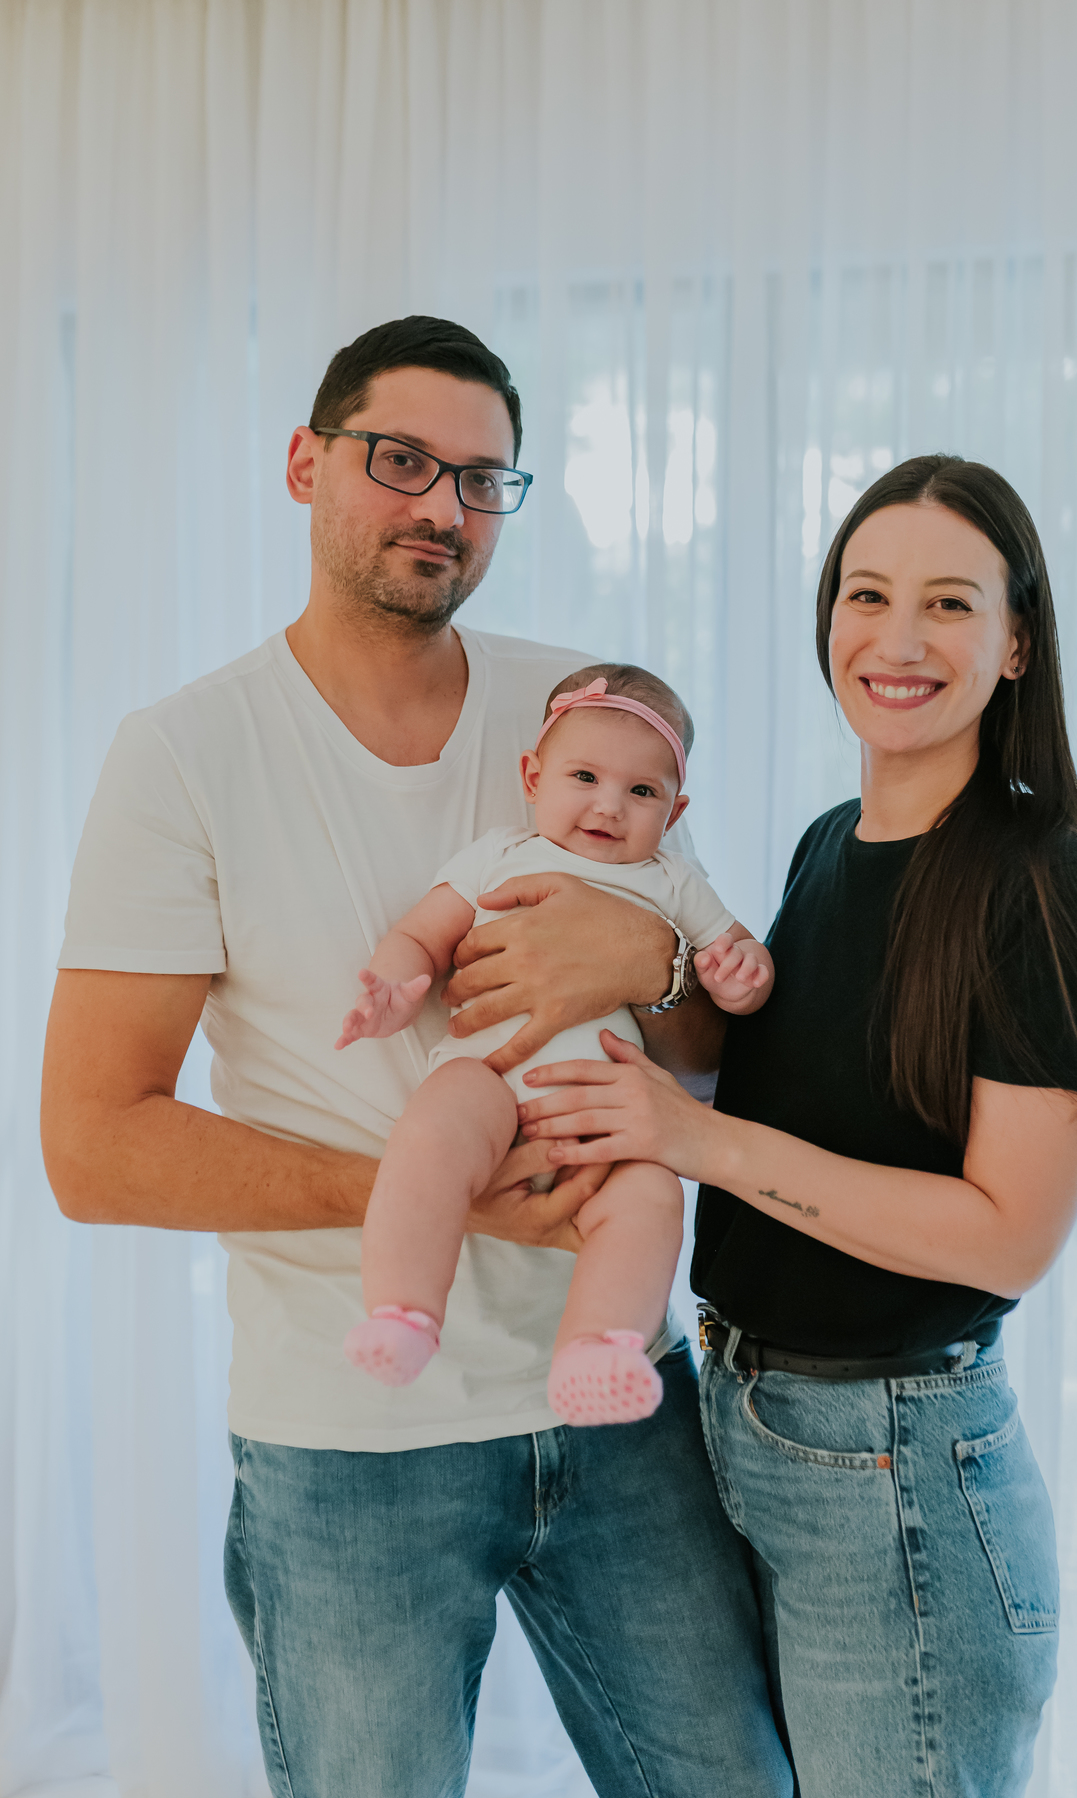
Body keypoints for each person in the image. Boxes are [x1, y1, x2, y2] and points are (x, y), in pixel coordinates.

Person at [40, 317, 794, 1797]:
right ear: (306, 463)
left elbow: (701, 1032)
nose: (442, 506)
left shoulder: (581, 705)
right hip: (350, 1443)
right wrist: (436, 1193)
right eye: (401, 461)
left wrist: (639, 961)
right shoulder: (185, 755)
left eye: (483, 478)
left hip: (622, 1397)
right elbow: (96, 1145)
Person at [515, 454, 1077, 1797]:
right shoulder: (828, 841)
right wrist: (637, 963)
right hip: (749, 1415)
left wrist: (694, 1145)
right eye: (866, 594)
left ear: (1019, 641)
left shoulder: (1048, 887)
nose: (898, 638)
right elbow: (774, 1085)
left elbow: (1005, 1239)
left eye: (951, 604)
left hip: (896, 1468)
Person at [336, 664, 773, 1421]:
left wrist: (745, 977)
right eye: (585, 776)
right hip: (485, 1073)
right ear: (533, 777)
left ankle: (598, 1349)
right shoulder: (499, 855)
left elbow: (733, 959)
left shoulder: (673, 882)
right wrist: (394, 988)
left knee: (649, 1196)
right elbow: (421, 933)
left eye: (642, 792)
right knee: (432, 1141)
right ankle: (403, 1310)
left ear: (675, 813)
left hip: (607, 1105)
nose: (610, 805)